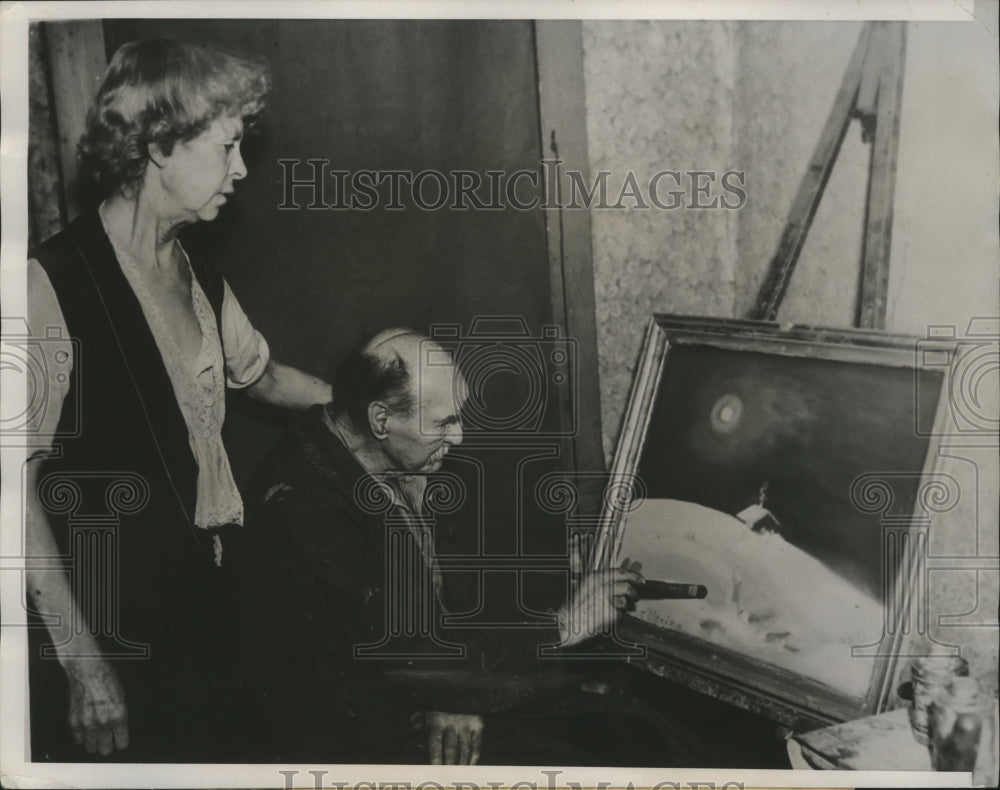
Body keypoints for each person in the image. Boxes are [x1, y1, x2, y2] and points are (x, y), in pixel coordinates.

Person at [24, 39, 331, 762]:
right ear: (160, 144)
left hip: (205, 607)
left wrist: (373, 405)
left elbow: (258, 375)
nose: (241, 169)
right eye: (227, 147)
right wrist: (84, 664)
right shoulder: (51, 283)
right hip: (114, 627)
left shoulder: (192, 263)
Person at [237, 328, 643, 764]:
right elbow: (396, 655)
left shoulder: (397, 456)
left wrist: (457, 691)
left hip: (425, 691)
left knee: (635, 732)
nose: (461, 437)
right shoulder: (297, 507)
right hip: (350, 741)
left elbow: (450, 612)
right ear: (380, 420)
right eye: (444, 422)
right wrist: (565, 625)